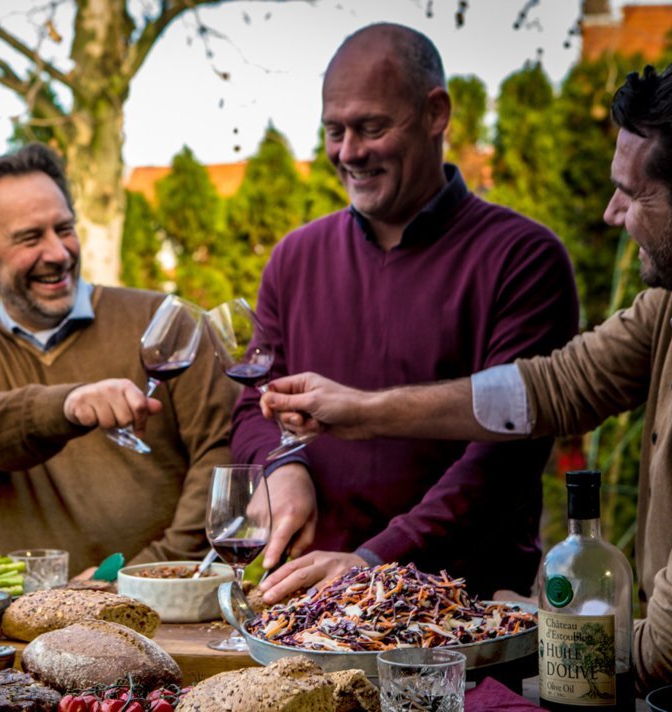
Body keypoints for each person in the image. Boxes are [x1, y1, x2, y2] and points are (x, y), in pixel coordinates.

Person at [259, 51, 672, 695]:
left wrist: (511, 621)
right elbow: (554, 388)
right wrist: (362, 410)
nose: (611, 214)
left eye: (633, 194)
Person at [229, 23, 579, 598]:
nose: (348, 152)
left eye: (371, 127)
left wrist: (375, 561)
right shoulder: (295, 257)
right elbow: (254, 402)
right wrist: (280, 468)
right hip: (308, 608)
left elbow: (503, 459)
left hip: (467, 608)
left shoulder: (524, 257)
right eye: (334, 131)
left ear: (436, 113)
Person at [0, 143, 236, 577]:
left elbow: (223, 455)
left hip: (173, 605)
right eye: (30, 238)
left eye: (64, 229)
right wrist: (68, 405)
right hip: (25, 614)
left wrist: (143, 576)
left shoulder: (164, 322)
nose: (58, 253)